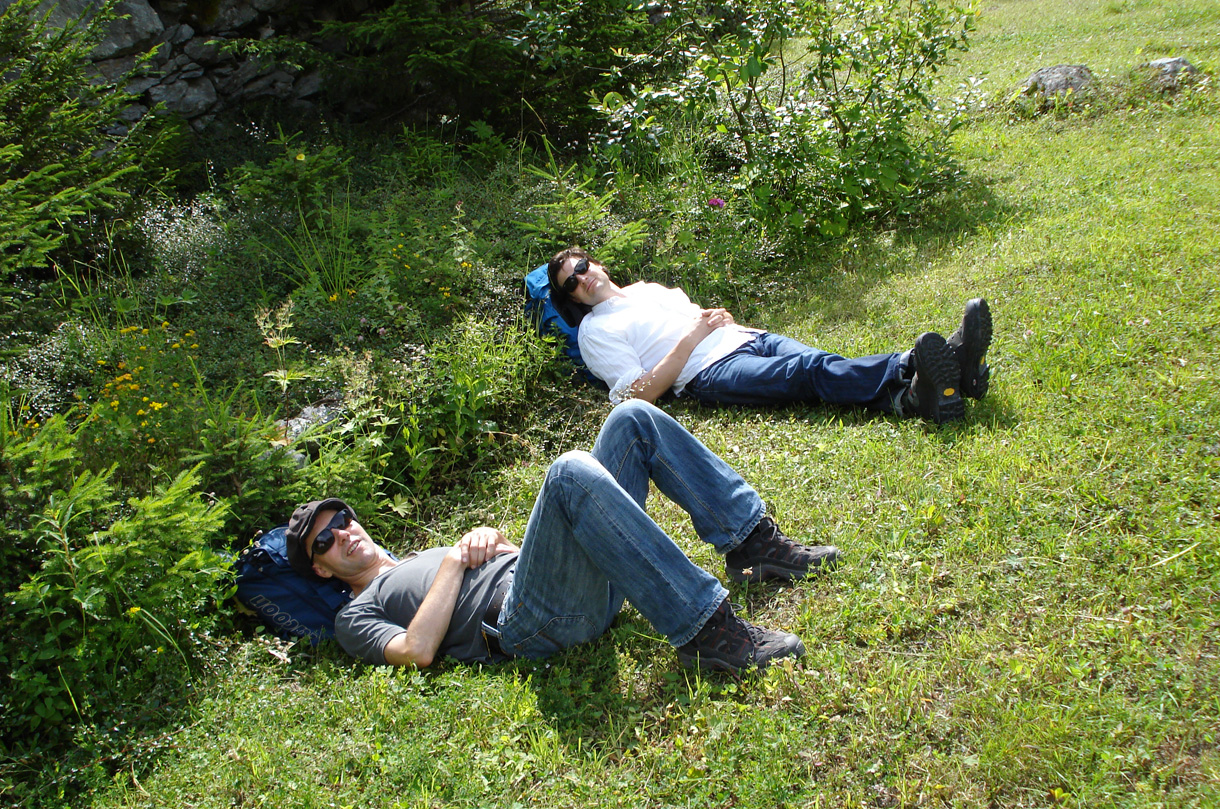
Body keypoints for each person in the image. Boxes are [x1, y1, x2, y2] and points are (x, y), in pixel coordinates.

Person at [284, 400, 838, 674]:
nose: (341, 535)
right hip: (529, 624)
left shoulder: (416, 558)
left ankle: (752, 544)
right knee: (569, 469)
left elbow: (518, 556)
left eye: (341, 521)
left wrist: (496, 543)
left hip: (564, 584)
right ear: (321, 569)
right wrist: (456, 562)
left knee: (632, 418)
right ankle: (708, 632)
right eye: (324, 541)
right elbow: (416, 650)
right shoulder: (353, 615)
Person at [547, 247, 993, 424]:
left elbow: (687, 319)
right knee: (810, 369)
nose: (581, 279)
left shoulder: (645, 289)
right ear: (572, 299)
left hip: (746, 338)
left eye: (582, 268)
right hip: (710, 372)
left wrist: (714, 319)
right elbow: (635, 397)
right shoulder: (595, 331)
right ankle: (918, 365)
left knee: (824, 363)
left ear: (597, 263)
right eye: (570, 283)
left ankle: (923, 393)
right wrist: (694, 337)